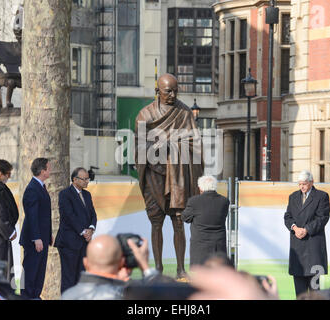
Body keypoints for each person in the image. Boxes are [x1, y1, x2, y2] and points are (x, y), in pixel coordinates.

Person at [134, 73, 203, 279]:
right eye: (167, 91)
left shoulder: (185, 113)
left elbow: (195, 143)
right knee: (156, 223)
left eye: (175, 90)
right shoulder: (146, 115)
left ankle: (181, 268)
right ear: (158, 91)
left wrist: (173, 144)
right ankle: (159, 268)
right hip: (154, 176)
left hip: (178, 178)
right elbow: (140, 145)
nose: (172, 95)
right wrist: (162, 145)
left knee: (179, 222)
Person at [61, 235, 159, 300]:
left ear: (85, 263)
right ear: (121, 263)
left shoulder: (67, 296)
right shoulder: (130, 295)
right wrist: (146, 268)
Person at [283, 170, 330, 298]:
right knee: (299, 289)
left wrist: (306, 229)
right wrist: (294, 228)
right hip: (297, 246)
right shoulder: (293, 196)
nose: (301, 187)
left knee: (314, 289)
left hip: (313, 245)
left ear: (311, 182)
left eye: (304, 184)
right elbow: (288, 216)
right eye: (299, 184)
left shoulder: (321, 196)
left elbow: (322, 217)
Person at [55, 167, 97, 293]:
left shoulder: (87, 195)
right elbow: (69, 216)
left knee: (82, 278)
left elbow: (93, 214)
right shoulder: (65, 194)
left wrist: (91, 228)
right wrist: (84, 232)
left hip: (84, 243)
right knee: (69, 279)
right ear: (75, 179)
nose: (87, 181)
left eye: (88, 179)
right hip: (69, 243)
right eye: (84, 179)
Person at [19, 157, 53, 299]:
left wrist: (48, 234)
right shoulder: (32, 188)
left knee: (39, 271)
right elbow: (32, 216)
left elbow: (44, 215)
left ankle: (35, 295)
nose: (50, 170)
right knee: (31, 270)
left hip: (43, 237)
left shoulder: (41, 187)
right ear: (42, 171)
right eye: (48, 168)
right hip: (34, 239)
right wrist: (36, 237)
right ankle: (27, 296)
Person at [181, 175, 229, 267]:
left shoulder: (194, 201)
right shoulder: (224, 201)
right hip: (218, 244)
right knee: (218, 272)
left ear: (200, 188)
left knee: (200, 274)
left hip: (200, 245)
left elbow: (185, 218)